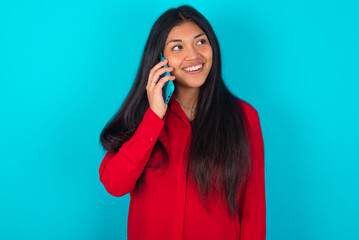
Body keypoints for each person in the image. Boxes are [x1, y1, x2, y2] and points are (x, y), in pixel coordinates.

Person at [99, 5, 265, 240]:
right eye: (178, 47)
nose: (194, 56)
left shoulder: (244, 117)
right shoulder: (143, 119)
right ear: (159, 59)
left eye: (200, 42)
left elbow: (253, 210)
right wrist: (154, 119)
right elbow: (115, 184)